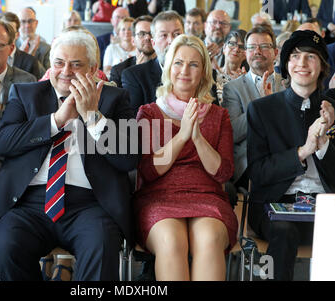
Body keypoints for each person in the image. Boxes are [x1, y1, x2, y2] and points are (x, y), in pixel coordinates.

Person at [0, 29, 138, 281]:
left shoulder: (115, 99)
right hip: (28, 203)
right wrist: (56, 120)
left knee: (102, 249)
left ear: (93, 68)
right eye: (59, 63)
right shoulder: (26, 94)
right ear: (50, 64)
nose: (65, 71)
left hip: (90, 204)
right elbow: (3, 142)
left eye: (76, 64)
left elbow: (128, 159)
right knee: (5, 249)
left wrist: (92, 117)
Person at [134, 34, 237, 281]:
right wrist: (182, 135)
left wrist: (198, 136)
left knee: (209, 239)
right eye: (178, 63)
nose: (185, 71)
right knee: (170, 241)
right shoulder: (148, 113)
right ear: (168, 68)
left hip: (207, 197)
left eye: (193, 64)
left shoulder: (219, 115)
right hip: (158, 198)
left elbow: (223, 172)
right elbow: (148, 171)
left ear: (203, 72)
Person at [246, 30, 335, 281]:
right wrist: (303, 151)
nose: (302, 63)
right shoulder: (261, 110)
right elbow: (258, 172)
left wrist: (322, 147)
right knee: (284, 231)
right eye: (296, 56)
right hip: (275, 206)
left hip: (328, 206)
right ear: (286, 64)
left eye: (311, 57)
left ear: (322, 66)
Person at [222, 25, 284, 190]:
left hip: (283, 158)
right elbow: (233, 132)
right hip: (249, 162)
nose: (257, 51)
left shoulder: (288, 84)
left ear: (275, 53)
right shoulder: (233, 88)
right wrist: (261, 105)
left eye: (264, 46)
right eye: (251, 47)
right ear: (246, 53)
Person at [122, 10, 184, 115]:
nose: (171, 41)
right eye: (164, 35)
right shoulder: (135, 76)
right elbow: (134, 125)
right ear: (153, 43)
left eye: (177, 34)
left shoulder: (200, 72)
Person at [109, 15, 156, 88]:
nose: (147, 37)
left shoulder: (167, 67)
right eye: (142, 34)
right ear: (133, 40)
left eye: (151, 33)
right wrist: (135, 72)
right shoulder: (118, 71)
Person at [215, 30, 247, 104]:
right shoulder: (212, 74)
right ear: (224, 48)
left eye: (242, 47)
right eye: (232, 44)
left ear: (246, 54)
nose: (236, 49)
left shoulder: (247, 80)